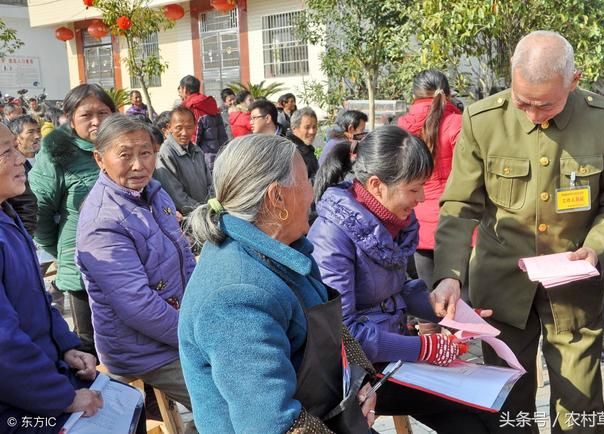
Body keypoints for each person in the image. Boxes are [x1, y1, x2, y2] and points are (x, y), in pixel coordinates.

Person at [432, 31, 604, 433]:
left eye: (544, 105)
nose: (531, 114)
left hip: (573, 287)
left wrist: (595, 248)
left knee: (580, 406)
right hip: (502, 286)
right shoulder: (482, 121)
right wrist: (448, 275)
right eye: (522, 101)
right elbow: (459, 207)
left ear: (574, 81)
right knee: (509, 405)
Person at [179, 134, 377, 433]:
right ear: (277, 197)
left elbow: (331, 329)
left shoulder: (285, 250)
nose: (313, 192)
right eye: (307, 180)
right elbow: (273, 424)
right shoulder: (236, 297)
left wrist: (361, 382)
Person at [308, 126, 489, 432]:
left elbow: (397, 289)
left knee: (487, 410)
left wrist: (450, 312)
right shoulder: (332, 236)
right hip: (358, 371)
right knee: (469, 421)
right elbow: (344, 332)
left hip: (394, 356)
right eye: (414, 188)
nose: (422, 198)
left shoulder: (393, 221)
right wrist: (425, 348)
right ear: (377, 185)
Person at [76, 114, 196, 419]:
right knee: (227, 392)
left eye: (145, 153)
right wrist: (194, 334)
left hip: (177, 327)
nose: (138, 165)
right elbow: (138, 306)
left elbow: (184, 257)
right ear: (100, 159)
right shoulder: (103, 221)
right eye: (125, 155)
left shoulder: (154, 192)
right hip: (143, 350)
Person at [0, 122, 104, 433]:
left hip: (40, 378)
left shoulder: (8, 215)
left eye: (17, 148)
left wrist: (65, 346)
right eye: (7, 152)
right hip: (15, 410)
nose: (22, 159)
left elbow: (35, 298)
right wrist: (62, 398)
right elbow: (3, 344)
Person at [29, 83, 116, 357]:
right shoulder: (56, 154)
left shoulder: (124, 143)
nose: (96, 121)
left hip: (129, 261)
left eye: (103, 113)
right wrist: (65, 251)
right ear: (69, 117)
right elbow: (38, 212)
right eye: (86, 115)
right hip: (83, 268)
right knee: (90, 348)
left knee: (132, 341)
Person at [397, 70, 462, 288]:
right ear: (449, 94)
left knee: (426, 299)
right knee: (460, 302)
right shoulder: (458, 124)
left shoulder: (402, 127)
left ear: (414, 95)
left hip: (417, 222)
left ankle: (427, 324)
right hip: (456, 223)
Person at [155, 106, 212, 215]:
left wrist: (211, 204)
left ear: (195, 127)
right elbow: (176, 196)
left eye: (189, 127)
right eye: (179, 127)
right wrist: (203, 210)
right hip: (187, 217)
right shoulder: (166, 154)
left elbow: (210, 183)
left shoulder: (197, 150)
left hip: (205, 213)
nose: (184, 133)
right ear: (169, 127)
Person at [178, 75, 228, 169]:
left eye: (180, 89)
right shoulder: (210, 104)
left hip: (203, 161)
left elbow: (193, 139)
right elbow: (223, 135)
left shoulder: (192, 108)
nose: (180, 92)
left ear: (185, 89)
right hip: (220, 157)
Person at [7, 115, 41, 235]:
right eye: (30, 132)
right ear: (16, 138)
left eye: (38, 131)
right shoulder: (11, 167)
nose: (37, 136)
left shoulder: (47, 160)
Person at [286, 107, 319, 181]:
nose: (312, 131)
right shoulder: (291, 152)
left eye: (314, 127)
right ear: (294, 128)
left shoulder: (305, 147)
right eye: (307, 127)